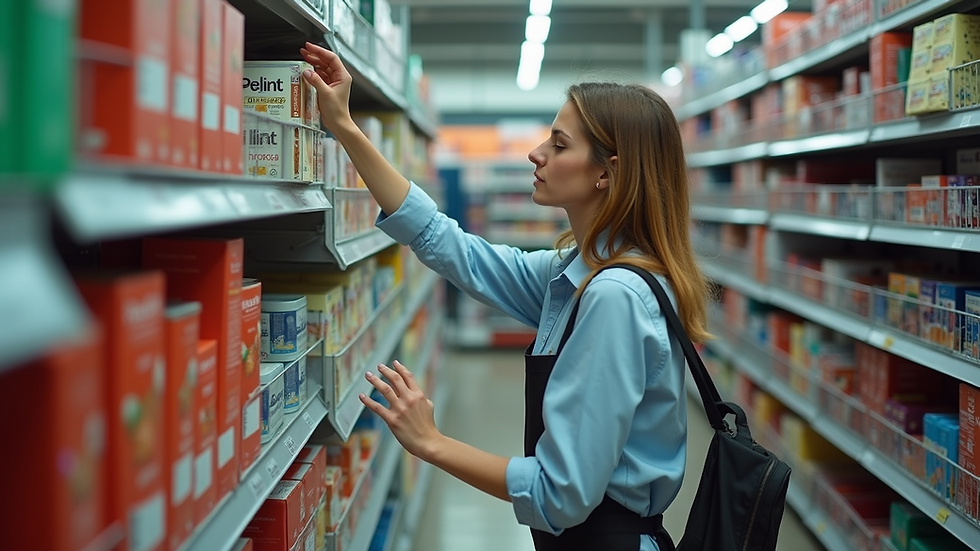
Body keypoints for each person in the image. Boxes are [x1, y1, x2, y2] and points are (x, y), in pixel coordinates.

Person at [299, 42, 711, 551]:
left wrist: (432, 442)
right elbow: (449, 245)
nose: (537, 153)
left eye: (559, 145)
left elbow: (559, 496)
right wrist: (343, 125)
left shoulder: (614, 297)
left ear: (608, 171)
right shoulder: (576, 275)